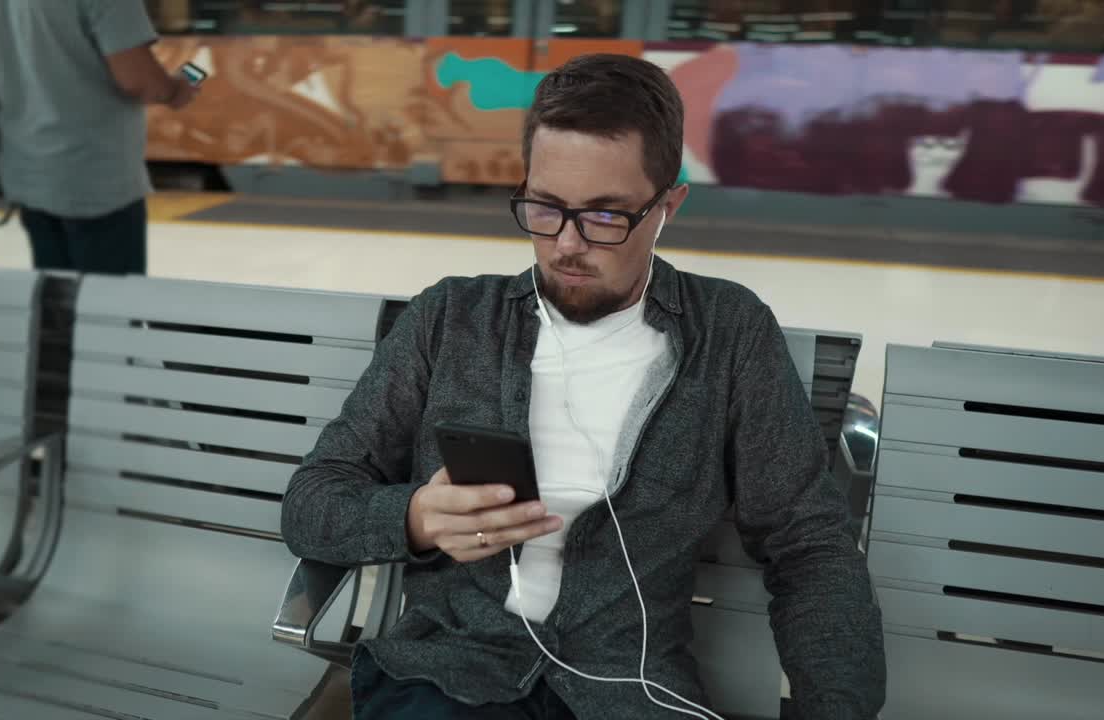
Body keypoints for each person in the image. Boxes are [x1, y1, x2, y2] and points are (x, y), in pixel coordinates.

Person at [282, 53, 885, 719]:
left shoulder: (730, 334)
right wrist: (413, 519)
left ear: (667, 207)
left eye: (605, 216)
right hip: (452, 678)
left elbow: (810, 546)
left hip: (629, 692)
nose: (567, 244)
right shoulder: (451, 319)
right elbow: (313, 501)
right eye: (544, 208)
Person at [0, 0, 198, 275]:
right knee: (108, 309)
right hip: (94, 180)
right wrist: (178, 89)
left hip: (26, 171)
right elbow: (140, 81)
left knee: (57, 304)